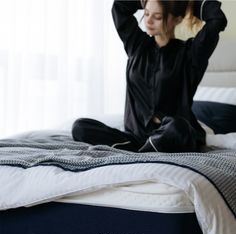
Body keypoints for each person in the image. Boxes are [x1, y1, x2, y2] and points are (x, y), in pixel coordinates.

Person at [72, 0, 227, 153]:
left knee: (178, 128)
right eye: (146, 14)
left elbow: (217, 19)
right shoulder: (136, 45)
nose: (149, 21)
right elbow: (119, 6)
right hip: (135, 136)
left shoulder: (190, 54)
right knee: (80, 127)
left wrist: (185, 3)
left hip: (172, 135)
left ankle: (140, 150)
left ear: (177, 19)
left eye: (157, 17)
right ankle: (145, 148)